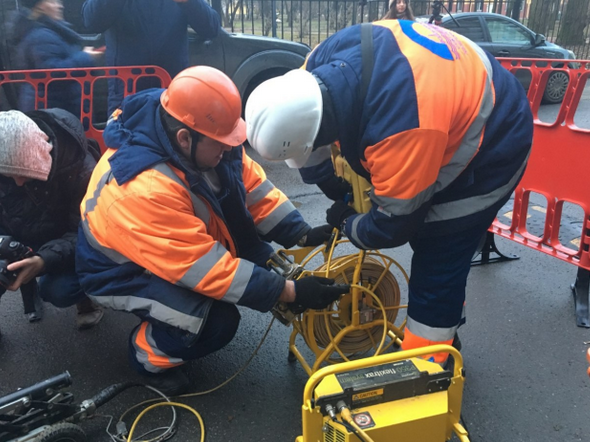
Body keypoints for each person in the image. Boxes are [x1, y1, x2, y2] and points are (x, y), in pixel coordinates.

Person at [245, 19, 534, 367]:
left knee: (439, 252)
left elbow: (391, 226)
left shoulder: (401, 128)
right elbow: (312, 138)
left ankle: (427, 364)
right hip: (449, 98)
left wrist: (351, 222)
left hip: (495, 141)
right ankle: (445, 320)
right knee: (422, 225)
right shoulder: (314, 68)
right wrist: (330, 184)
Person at [75, 66, 348, 395]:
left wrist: (301, 233)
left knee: (252, 264)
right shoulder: (144, 187)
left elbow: (252, 187)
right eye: (221, 143)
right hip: (119, 269)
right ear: (184, 139)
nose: (230, 148)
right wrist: (289, 292)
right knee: (214, 322)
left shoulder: (205, 136)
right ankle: (147, 353)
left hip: (169, 246)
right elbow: (205, 268)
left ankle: (169, 324)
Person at [0, 109, 104, 330]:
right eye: (9, 174)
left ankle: (86, 299)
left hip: (66, 239)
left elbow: (87, 233)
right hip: (23, 235)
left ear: (40, 154)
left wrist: (43, 260)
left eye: (22, 173)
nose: (17, 183)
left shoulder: (84, 171)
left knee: (58, 290)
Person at [81, 0, 222, 115]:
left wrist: (189, 2)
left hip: (172, 94)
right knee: (125, 146)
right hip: (127, 95)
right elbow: (91, 20)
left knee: (173, 146)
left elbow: (212, 28)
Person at [9, 0, 99, 118]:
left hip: (56, 108)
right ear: (40, 7)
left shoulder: (46, 32)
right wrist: (85, 57)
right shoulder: (42, 36)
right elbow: (53, 72)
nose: (60, 6)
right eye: (53, 2)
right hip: (52, 111)